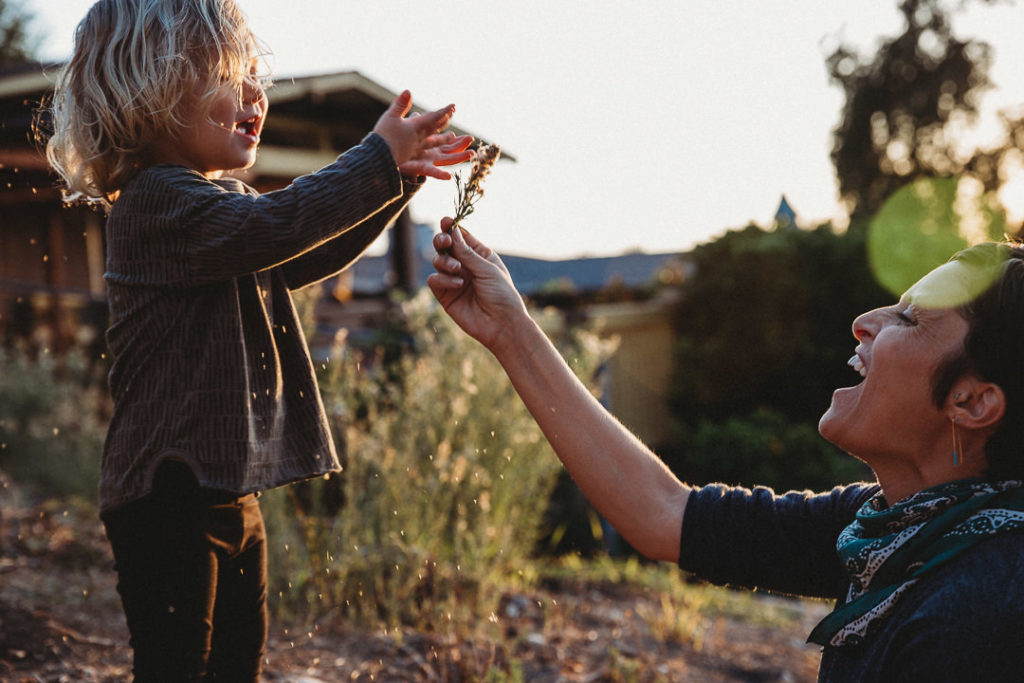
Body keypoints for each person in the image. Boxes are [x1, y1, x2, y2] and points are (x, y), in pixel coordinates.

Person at [42, 0, 472, 679]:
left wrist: (397, 182)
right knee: (179, 665)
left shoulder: (222, 206)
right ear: (150, 91)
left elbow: (295, 253)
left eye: (254, 75)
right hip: (166, 496)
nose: (256, 94)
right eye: (226, 75)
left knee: (237, 661)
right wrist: (375, 159)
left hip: (223, 484)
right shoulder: (156, 202)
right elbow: (281, 226)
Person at [428, 221, 1024, 682]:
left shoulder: (981, 612)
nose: (865, 322)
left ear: (972, 403)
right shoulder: (887, 531)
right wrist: (509, 329)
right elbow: (666, 515)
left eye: (911, 319)